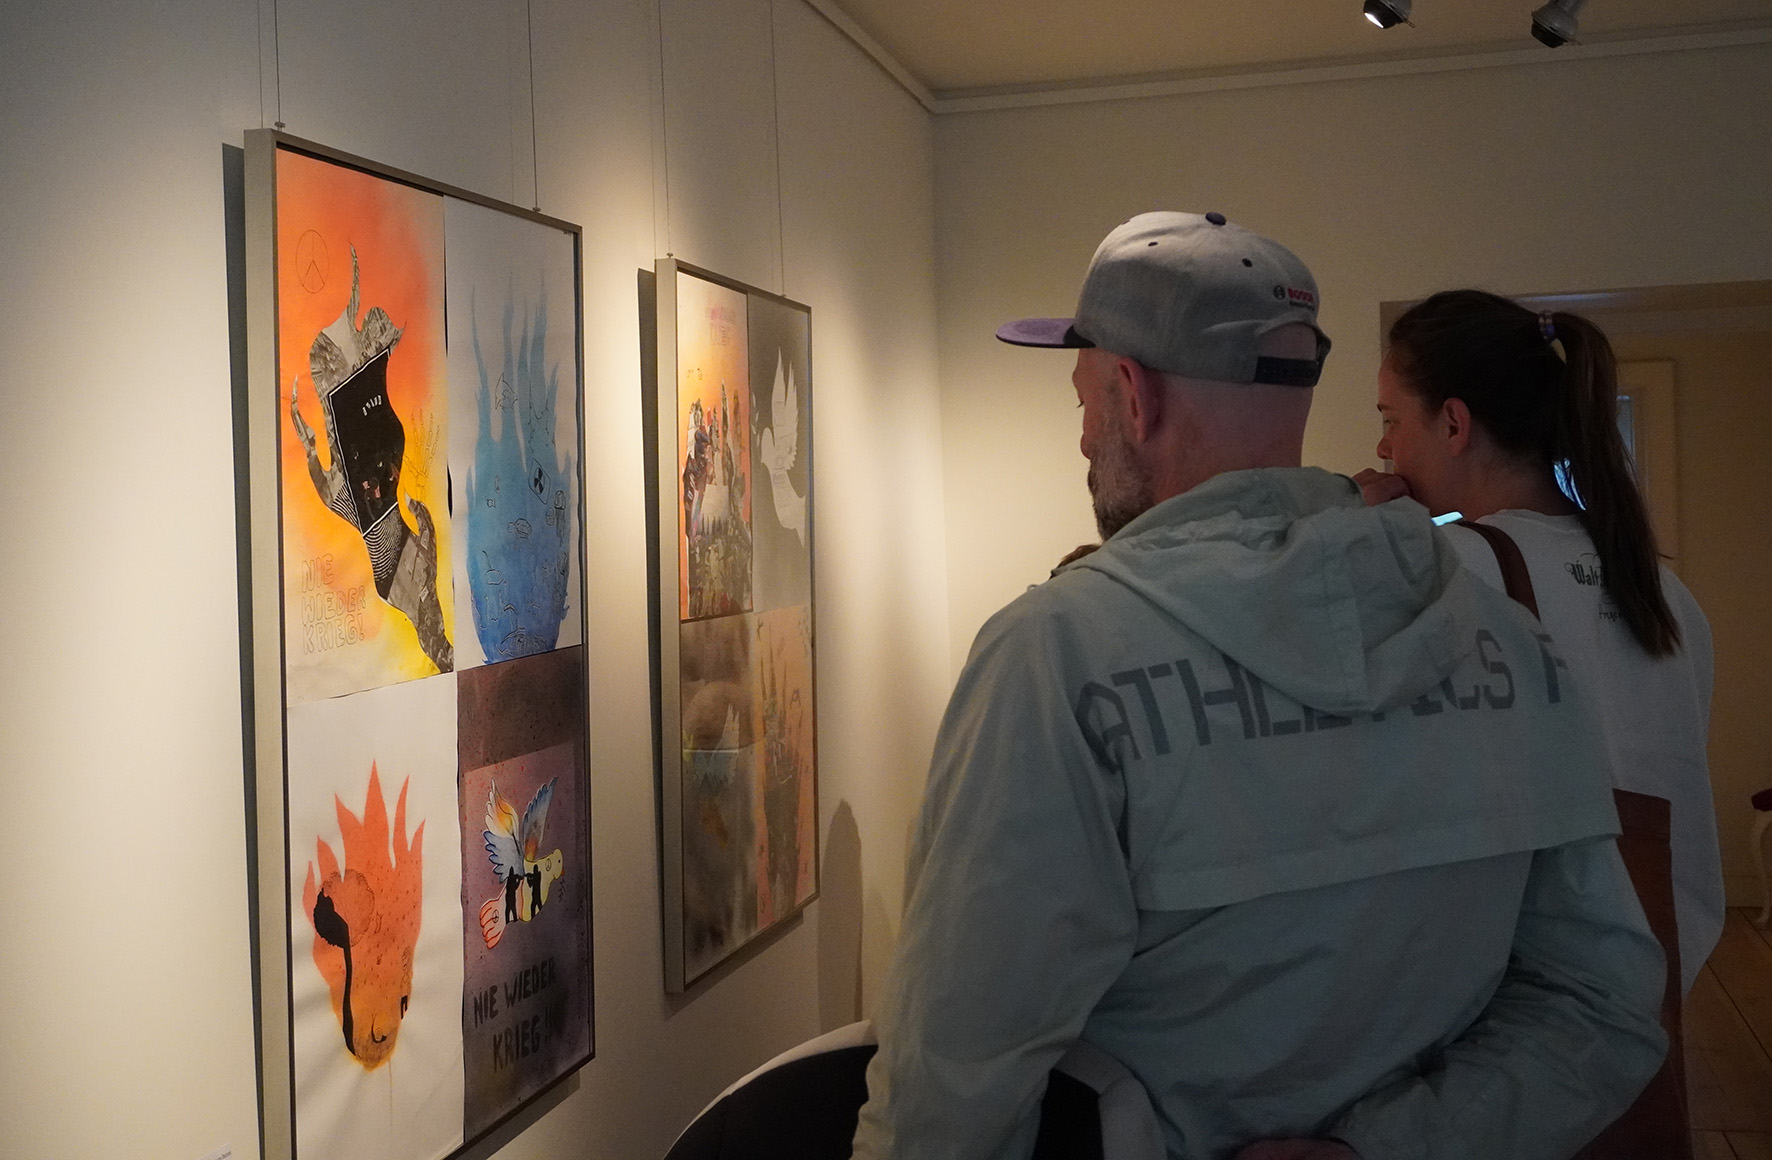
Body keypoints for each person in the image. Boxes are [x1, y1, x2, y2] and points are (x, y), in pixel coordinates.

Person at [851, 213, 1666, 1160]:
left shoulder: (1057, 658)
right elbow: (1600, 1006)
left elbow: (952, 1088)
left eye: (1084, 402)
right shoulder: (1508, 644)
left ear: (1133, 395)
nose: (1082, 440)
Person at [1355, 288, 1721, 993]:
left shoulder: (1440, 571)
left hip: (1515, 988)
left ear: (1454, 423)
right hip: (1654, 977)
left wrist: (1351, 535)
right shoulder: (1666, 595)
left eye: (1391, 419)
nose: (1383, 446)